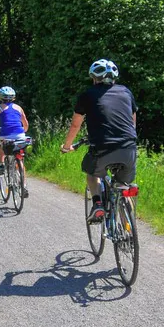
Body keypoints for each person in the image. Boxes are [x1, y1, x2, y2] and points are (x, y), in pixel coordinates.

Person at [60, 59, 137, 222]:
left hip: (102, 147)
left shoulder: (88, 94)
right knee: (125, 185)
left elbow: (75, 125)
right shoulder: (126, 92)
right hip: (129, 147)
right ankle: (129, 226)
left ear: (94, 78)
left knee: (91, 174)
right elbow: (132, 121)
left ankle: (97, 206)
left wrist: (67, 146)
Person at [0, 86, 30, 195]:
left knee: (0, 145)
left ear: (0, 97)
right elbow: (26, 124)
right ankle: (23, 186)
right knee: (20, 158)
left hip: (5, 135)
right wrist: (23, 131)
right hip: (20, 135)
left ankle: (1, 164)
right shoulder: (18, 108)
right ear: (13, 97)